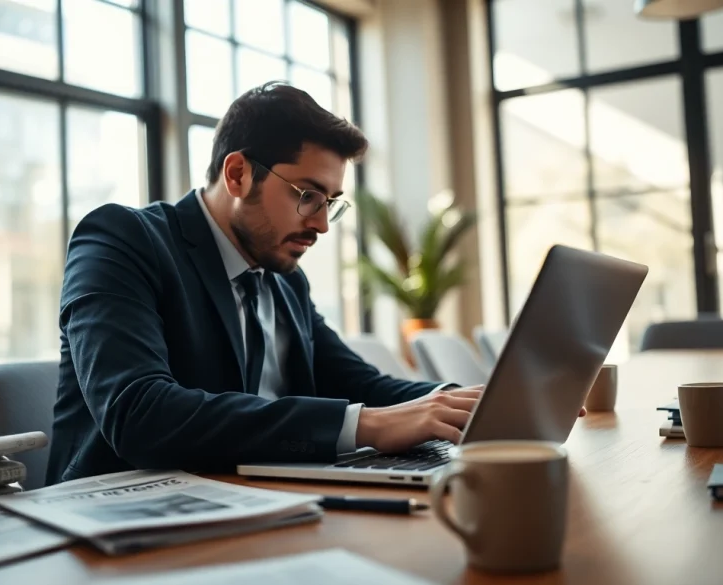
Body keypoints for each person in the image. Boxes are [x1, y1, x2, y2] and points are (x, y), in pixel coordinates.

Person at [46, 82, 581, 485]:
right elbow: (140, 414)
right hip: (121, 522)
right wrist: (365, 426)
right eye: (307, 194)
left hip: (257, 501)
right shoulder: (122, 239)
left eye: (330, 202)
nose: (322, 224)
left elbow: (362, 388)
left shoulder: (283, 280)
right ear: (237, 175)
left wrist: (473, 404)